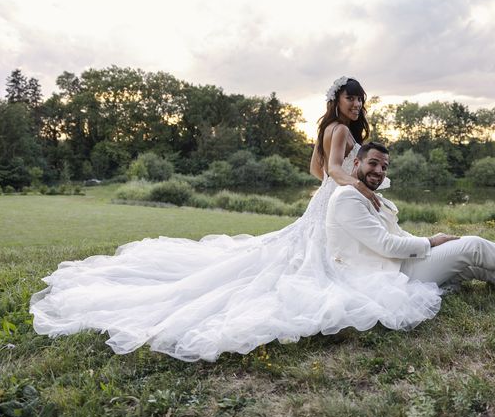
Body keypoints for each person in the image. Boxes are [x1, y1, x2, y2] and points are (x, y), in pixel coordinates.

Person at [30, 77, 441, 363]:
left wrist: (337, 187)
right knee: (310, 262)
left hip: (330, 202)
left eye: (360, 100)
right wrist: (359, 188)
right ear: (337, 101)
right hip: (340, 201)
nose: (356, 105)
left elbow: (315, 170)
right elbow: (332, 169)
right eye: (351, 98)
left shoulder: (332, 128)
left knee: (302, 256)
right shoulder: (338, 129)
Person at [326, 142, 495, 292]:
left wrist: (429, 243)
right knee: (473, 246)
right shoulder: (347, 198)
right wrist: (431, 241)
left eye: (384, 167)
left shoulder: (367, 196)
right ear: (356, 164)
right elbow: (385, 245)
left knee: (470, 266)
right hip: (386, 275)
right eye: (373, 163)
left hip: (398, 265)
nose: (379, 171)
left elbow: (396, 236)